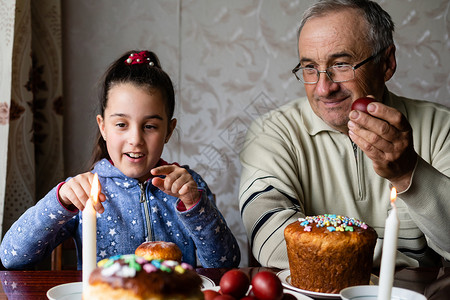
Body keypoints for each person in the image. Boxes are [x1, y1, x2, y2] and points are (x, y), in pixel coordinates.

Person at [239, 0, 450, 269]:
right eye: (310, 68)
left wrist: (409, 173)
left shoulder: (442, 127)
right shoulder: (271, 134)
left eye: (341, 64)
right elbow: (271, 241)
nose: (324, 88)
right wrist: (398, 264)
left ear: (387, 63)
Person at [0, 50, 240, 269]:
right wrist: (59, 199)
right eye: (121, 124)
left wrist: (195, 206)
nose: (135, 139)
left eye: (150, 126)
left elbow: (226, 264)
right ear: (103, 127)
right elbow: (11, 256)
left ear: (168, 130)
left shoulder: (187, 188)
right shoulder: (82, 192)